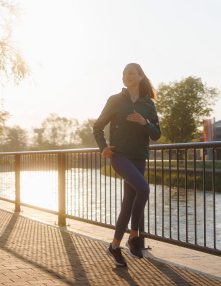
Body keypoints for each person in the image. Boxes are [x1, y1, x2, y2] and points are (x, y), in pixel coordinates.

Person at [93, 63, 161, 267]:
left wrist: (144, 123)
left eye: (131, 73)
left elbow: (156, 134)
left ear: (140, 77)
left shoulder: (148, 105)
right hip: (120, 156)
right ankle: (134, 237)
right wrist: (103, 147)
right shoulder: (115, 100)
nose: (127, 76)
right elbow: (97, 127)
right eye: (124, 73)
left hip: (139, 157)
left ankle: (114, 246)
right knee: (144, 189)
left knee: (127, 203)